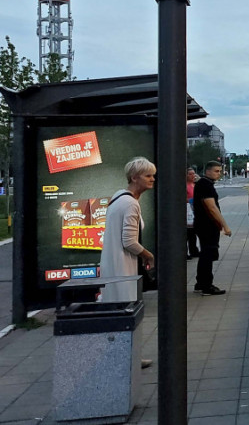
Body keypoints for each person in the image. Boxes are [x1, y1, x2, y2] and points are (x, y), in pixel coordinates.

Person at [99, 156, 156, 369]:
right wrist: (148, 255)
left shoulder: (119, 197)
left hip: (113, 263)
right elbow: (129, 241)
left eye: (153, 175)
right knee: (125, 310)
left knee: (117, 309)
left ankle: (124, 354)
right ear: (134, 177)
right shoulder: (131, 203)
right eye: (147, 175)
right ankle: (127, 357)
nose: (152, 179)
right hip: (123, 266)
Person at [193, 161, 232, 295]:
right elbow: (212, 207)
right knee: (208, 254)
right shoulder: (205, 185)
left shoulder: (204, 184)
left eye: (220, 171)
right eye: (216, 171)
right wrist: (225, 226)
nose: (219, 174)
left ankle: (200, 283)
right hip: (207, 225)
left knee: (205, 253)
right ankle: (206, 286)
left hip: (203, 224)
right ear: (207, 171)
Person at [186, 167, 200, 259]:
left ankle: (194, 250)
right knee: (187, 233)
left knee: (193, 233)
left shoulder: (195, 185)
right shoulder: (185, 186)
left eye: (193, 173)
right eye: (190, 174)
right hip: (187, 210)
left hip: (195, 210)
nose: (192, 175)